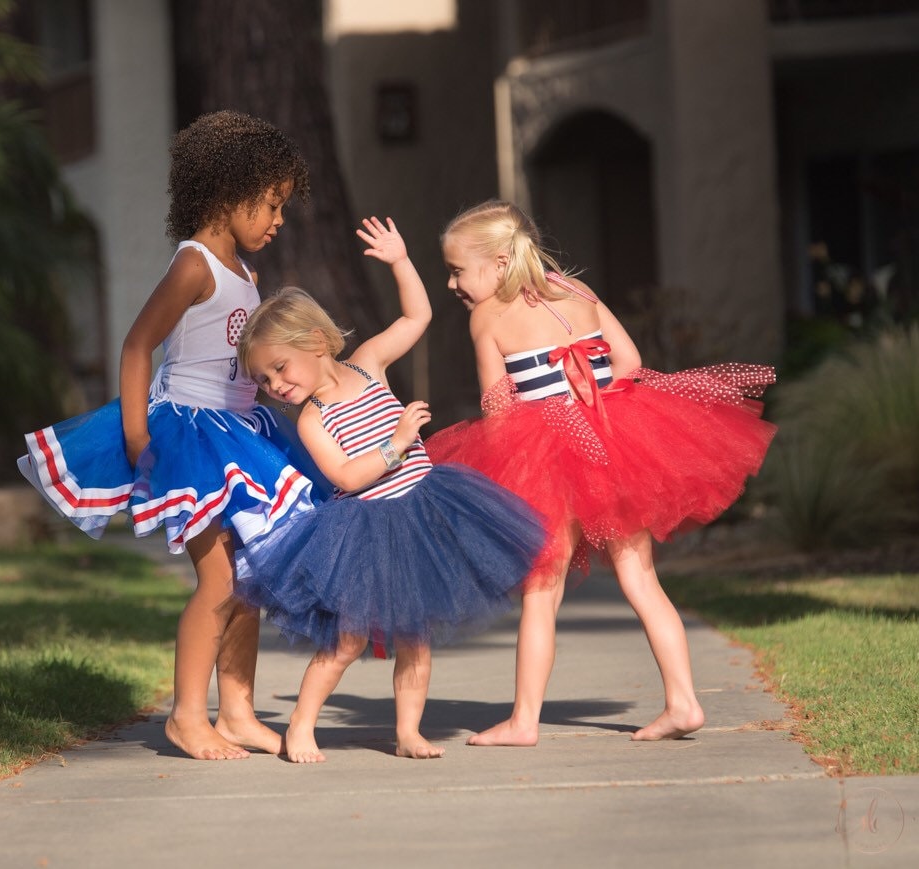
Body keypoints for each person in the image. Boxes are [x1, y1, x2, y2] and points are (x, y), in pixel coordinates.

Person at [17, 111, 331, 761]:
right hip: (189, 437)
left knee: (250, 579)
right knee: (219, 582)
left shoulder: (245, 275)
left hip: (240, 434)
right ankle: (188, 715)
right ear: (228, 190)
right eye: (271, 205)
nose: (277, 220)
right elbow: (137, 346)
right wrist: (138, 437)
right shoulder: (195, 264)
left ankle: (237, 709)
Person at [426, 199, 777, 746]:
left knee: (542, 590)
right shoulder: (578, 292)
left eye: (455, 270)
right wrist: (586, 392)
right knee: (642, 579)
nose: (451, 285)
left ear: (497, 263)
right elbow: (630, 362)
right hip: (615, 442)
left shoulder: (487, 316)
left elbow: (497, 407)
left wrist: (505, 473)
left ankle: (524, 721)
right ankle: (684, 701)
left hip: (547, 456)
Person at [234, 216, 545, 763]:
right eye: (263, 380)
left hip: (423, 511)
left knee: (416, 639)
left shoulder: (369, 364)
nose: (275, 385)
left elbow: (417, 315)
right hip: (367, 527)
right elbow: (347, 478)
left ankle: (408, 732)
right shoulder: (313, 418)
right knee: (348, 640)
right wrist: (398, 442)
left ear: (313, 342)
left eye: (278, 367)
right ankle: (301, 727)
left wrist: (401, 261)